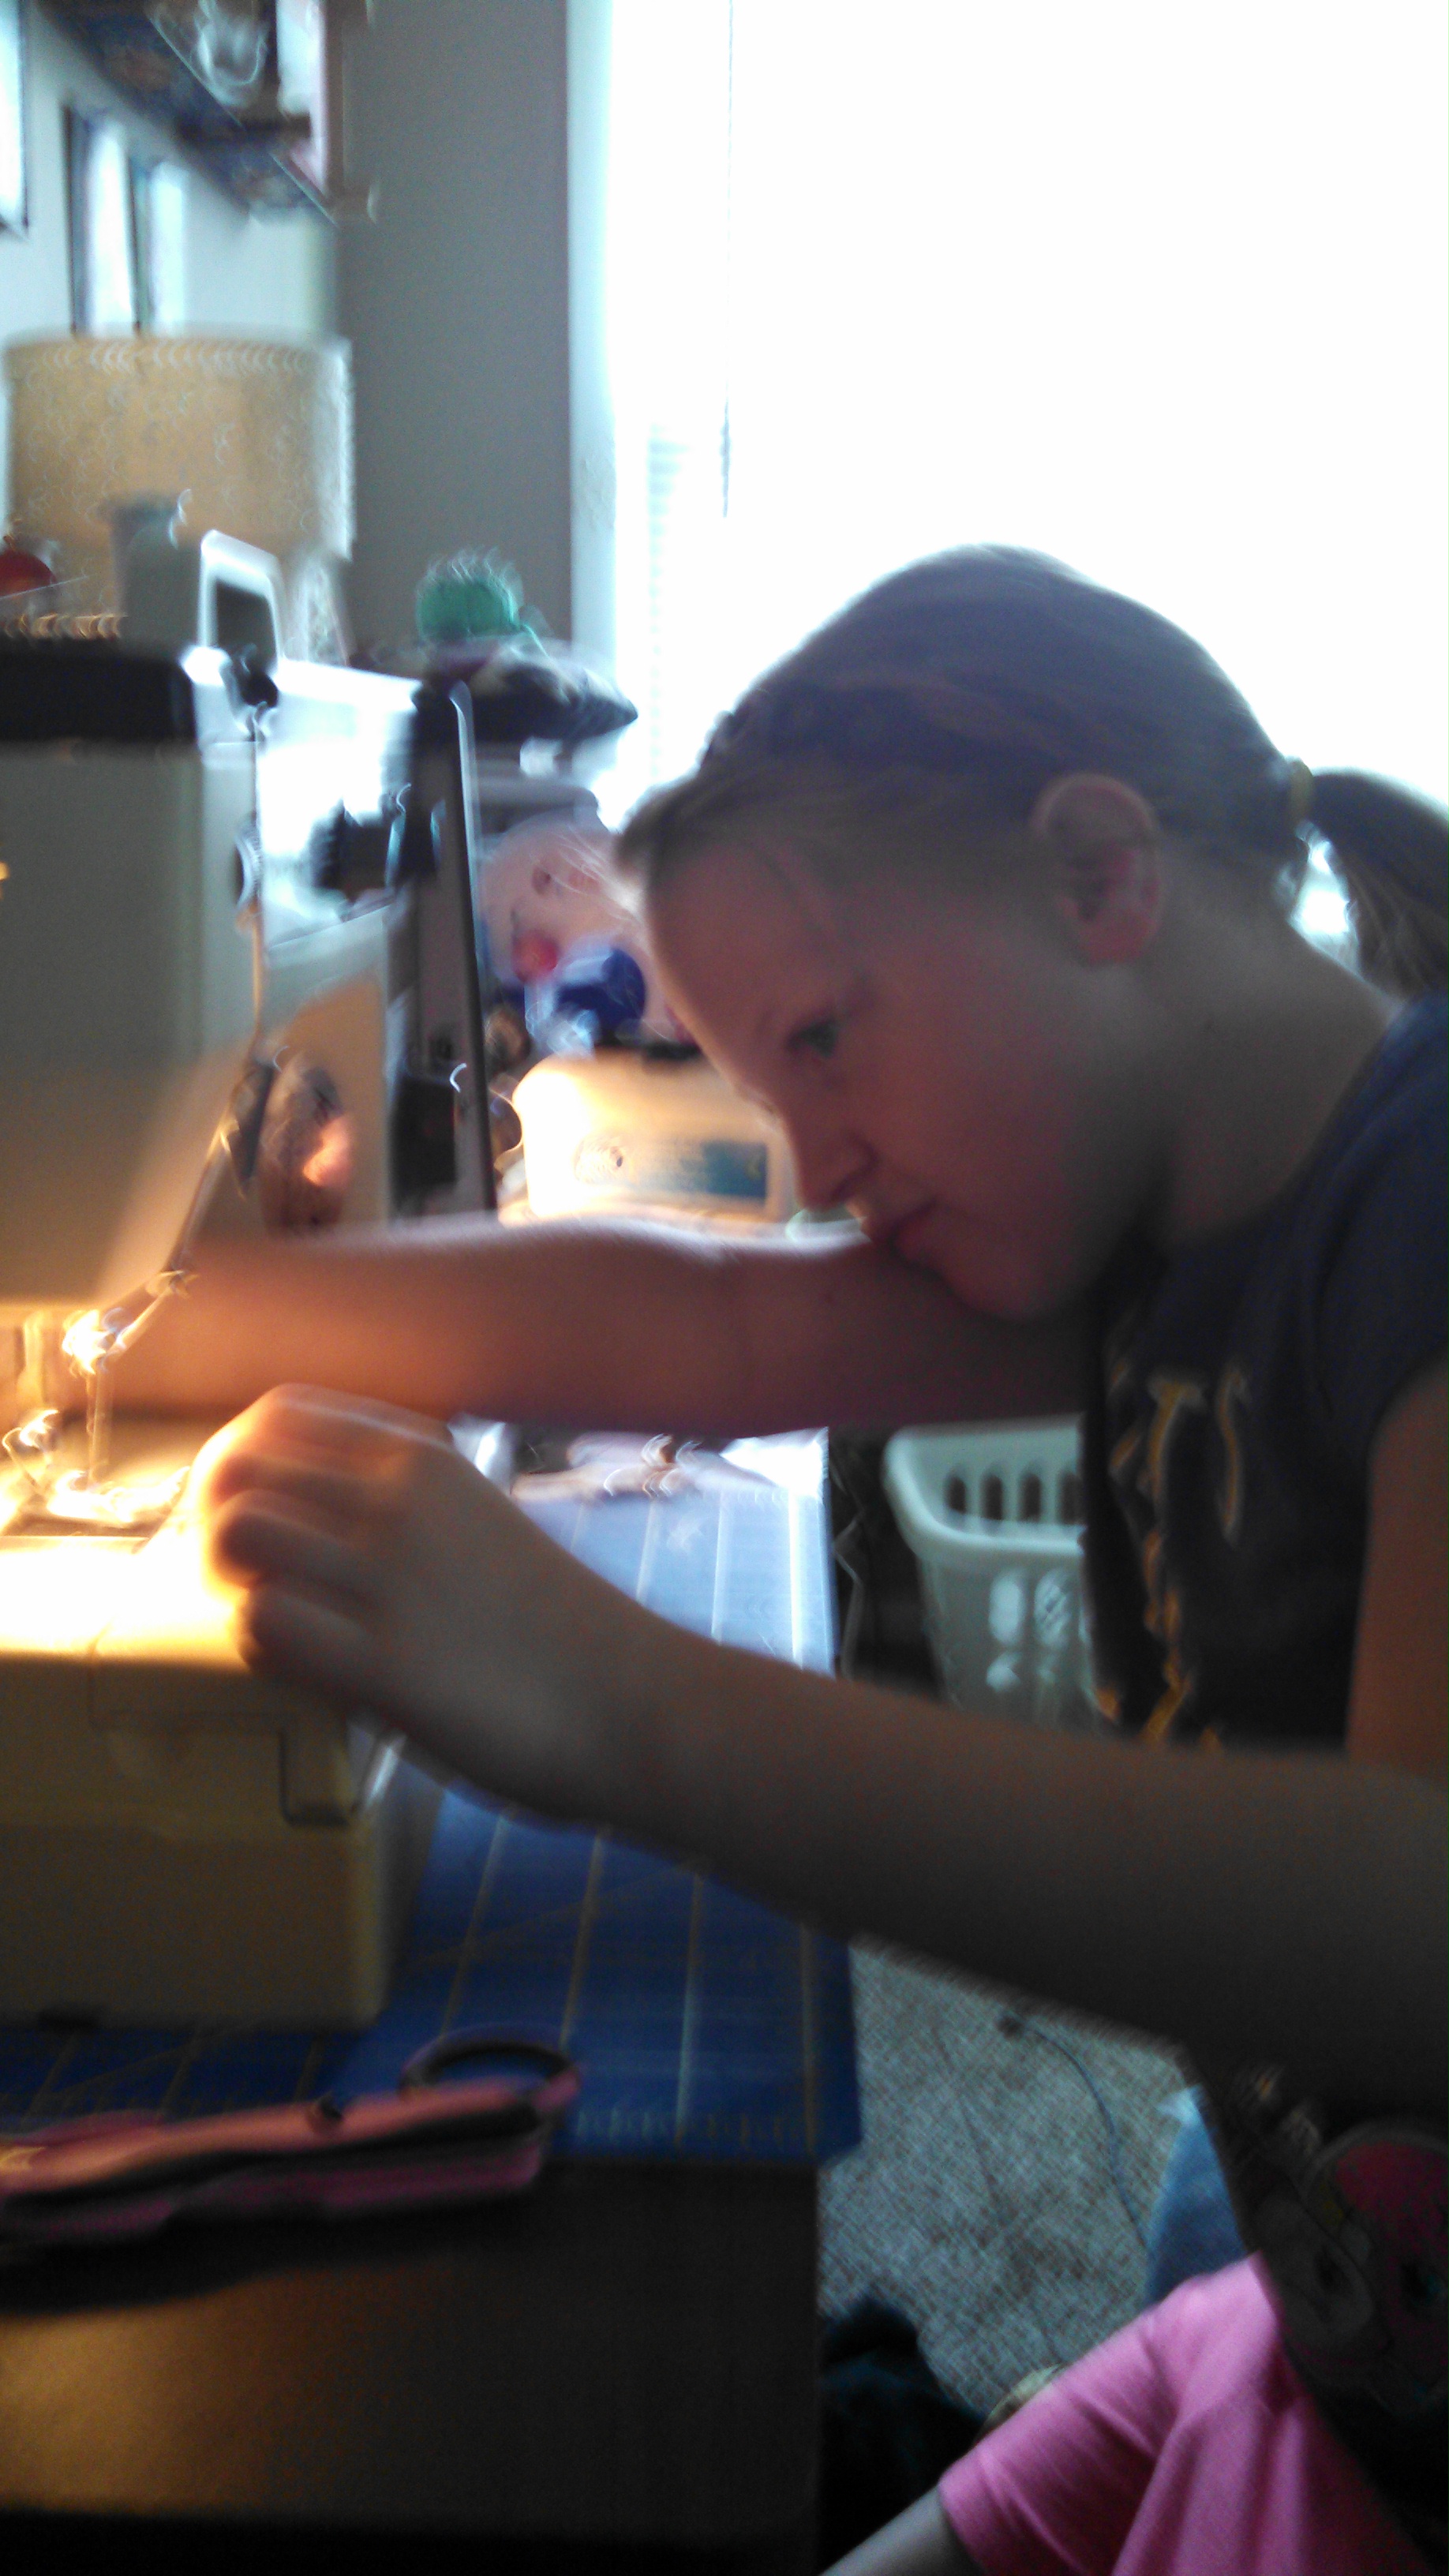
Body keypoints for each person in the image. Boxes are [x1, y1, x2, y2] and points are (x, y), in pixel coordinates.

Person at [128, 549, 1449, 2570]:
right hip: (1313, 2328)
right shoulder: (1161, 1224)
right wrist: (165, 1319)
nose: (814, 1166)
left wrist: (617, 1701)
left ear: (1100, 876)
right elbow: (717, 1328)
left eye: (825, 1040)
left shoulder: (1417, 1198)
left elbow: (1408, 1917)